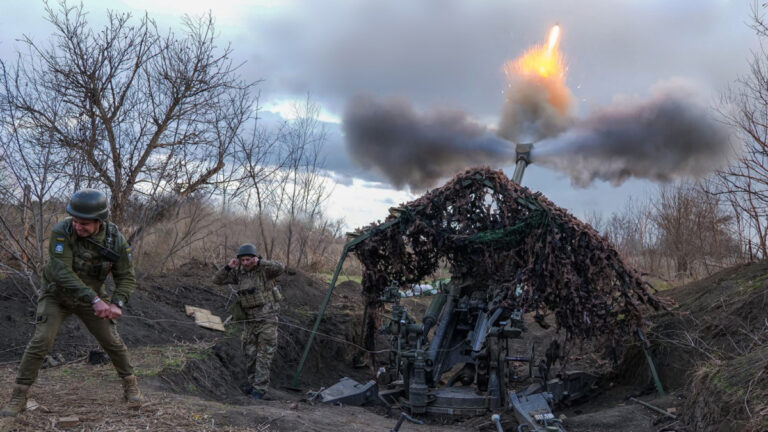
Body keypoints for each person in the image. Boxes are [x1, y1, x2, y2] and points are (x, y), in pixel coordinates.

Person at [0, 189, 141, 417]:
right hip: (57, 295)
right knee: (41, 340)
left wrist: (117, 303)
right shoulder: (62, 231)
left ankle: (130, 386)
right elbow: (60, 271)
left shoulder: (115, 241)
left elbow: (126, 276)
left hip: (92, 297)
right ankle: (19, 396)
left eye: (84, 223)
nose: (78, 226)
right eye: (75, 220)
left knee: (112, 341)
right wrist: (94, 299)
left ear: (99, 221)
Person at [213, 243, 284, 400]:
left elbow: (280, 268)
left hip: (267, 320)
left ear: (254, 258)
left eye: (249, 259)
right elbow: (216, 280)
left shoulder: (265, 270)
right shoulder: (239, 273)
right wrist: (228, 267)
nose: (245, 263)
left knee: (264, 355)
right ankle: (252, 385)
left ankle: (260, 390)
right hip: (249, 321)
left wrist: (261, 262)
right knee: (250, 354)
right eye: (243, 260)